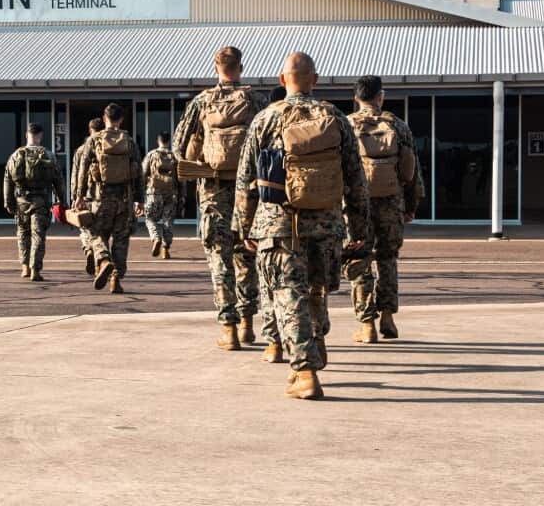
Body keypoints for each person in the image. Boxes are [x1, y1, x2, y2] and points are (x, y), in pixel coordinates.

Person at [234, 52, 369, 400]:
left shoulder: (266, 119)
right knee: (316, 290)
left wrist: (244, 227)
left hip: (279, 226)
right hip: (326, 225)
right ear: (315, 79)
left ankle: (305, 371)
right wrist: (359, 230)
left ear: (282, 80)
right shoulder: (337, 119)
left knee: (287, 296)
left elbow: (245, 178)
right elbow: (356, 180)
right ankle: (317, 343)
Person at [173, 46, 268, 351]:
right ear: (241, 67)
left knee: (219, 257)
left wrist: (199, 162)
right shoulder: (256, 100)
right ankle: (248, 326)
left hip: (213, 191)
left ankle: (227, 329)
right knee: (247, 255)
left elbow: (177, 145)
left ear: (215, 68)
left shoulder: (202, 101)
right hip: (248, 192)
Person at [346, 75, 424, 342]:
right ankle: (388, 316)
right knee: (387, 259)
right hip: (392, 202)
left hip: (356, 206)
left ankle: (366, 323)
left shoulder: (347, 126)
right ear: (381, 96)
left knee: (360, 258)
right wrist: (411, 205)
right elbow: (412, 172)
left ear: (356, 98)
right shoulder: (399, 126)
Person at [73, 103, 143, 294]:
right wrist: (140, 200)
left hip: (99, 199)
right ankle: (116, 280)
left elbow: (83, 169)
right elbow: (139, 172)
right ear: (121, 119)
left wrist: (79, 196)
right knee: (121, 241)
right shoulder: (129, 141)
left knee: (95, 233)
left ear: (105, 119)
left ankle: (103, 259)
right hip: (124, 201)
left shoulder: (94, 140)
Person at [3, 123, 66, 282]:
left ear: (27, 135)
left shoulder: (16, 155)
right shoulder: (48, 155)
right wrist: (62, 200)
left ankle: (24, 267)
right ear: (40, 136)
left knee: (23, 234)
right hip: (41, 201)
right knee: (38, 235)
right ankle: (35, 269)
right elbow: (58, 180)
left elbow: (8, 180)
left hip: (21, 201)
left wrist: (8, 202)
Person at [70, 118, 105, 276]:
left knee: (85, 229)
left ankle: (88, 250)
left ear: (89, 130)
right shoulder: (108, 147)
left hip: (86, 196)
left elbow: (76, 174)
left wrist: (75, 196)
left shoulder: (81, 150)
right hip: (104, 197)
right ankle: (100, 262)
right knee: (101, 232)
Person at [142, 132, 182, 259]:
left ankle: (156, 238)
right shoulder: (175, 156)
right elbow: (181, 177)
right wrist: (182, 194)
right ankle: (165, 248)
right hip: (171, 193)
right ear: (168, 141)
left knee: (150, 218)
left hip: (154, 193)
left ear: (158, 141)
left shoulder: (151, 155)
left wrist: (141, 192)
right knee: (168, 220)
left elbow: (143, 173)